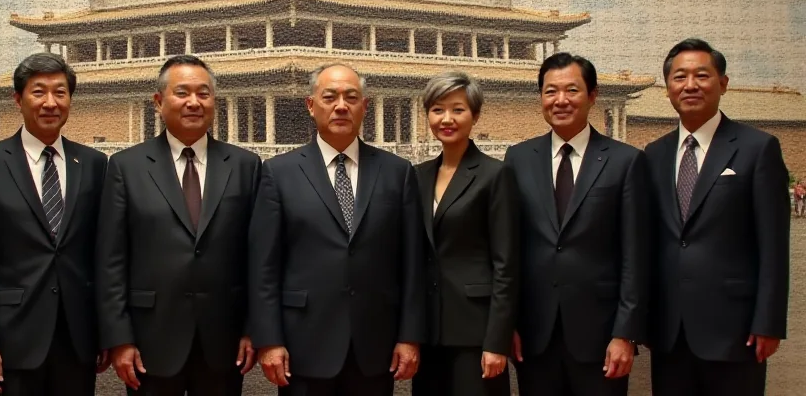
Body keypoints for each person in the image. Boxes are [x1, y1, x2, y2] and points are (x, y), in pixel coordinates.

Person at [249, 62, 426, 396]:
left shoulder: (397, 172)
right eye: (329, 97)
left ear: (365, 106)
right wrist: (269, 340)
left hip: (376, 344)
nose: (341, 106)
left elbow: (412, 263)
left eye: (351, 97)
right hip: (303, 343)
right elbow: (264, 267)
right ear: (310, 105)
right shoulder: (278, 173)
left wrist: (409, 336)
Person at [96, 55, 261, 396]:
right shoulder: (126, 167)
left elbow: (258, 257)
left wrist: (253, 327)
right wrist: (120, 337)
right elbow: (111, 261)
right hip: (149, 338)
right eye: (182, 92)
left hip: (224, 338)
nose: (193, 102)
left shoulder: (246, 166)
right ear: (159, 102)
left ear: (214, 101)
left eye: (203, 93)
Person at [644, 38, 790, 396]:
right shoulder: (653, 154)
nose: (690, 85)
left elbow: (773, 245)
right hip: (669, 330)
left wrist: (768, 322)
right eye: (680, 77)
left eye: (702, 75)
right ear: (668, 89)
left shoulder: (758, 148)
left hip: (735, 329)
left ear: (722, 84)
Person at [0, 53, 110, 395]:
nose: (50, 103)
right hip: (13, 336)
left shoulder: (94, 164)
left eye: (60, 92)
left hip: (77, 336)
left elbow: (103, 255)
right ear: (18, 99)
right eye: (39, 92)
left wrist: (105, 331)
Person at [504, 52, 649, 396]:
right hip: (534, 335)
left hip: (600, 336)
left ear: (592, 95)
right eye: (550, 91)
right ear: (540, 97)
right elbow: (509, 250)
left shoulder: (625, 162)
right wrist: (506, 324)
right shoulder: (518, 158)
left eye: (572, 90)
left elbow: (636, 255)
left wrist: (624, 333)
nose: (561, 100)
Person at [412, 72, 519, 396]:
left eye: (457, 109)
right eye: (437, 109)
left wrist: (497, 341)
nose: (447, 119)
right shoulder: (417, 176)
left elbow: (507, 265)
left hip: (476, 333)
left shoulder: (494, 175)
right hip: (428, 331)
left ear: (475, 115)